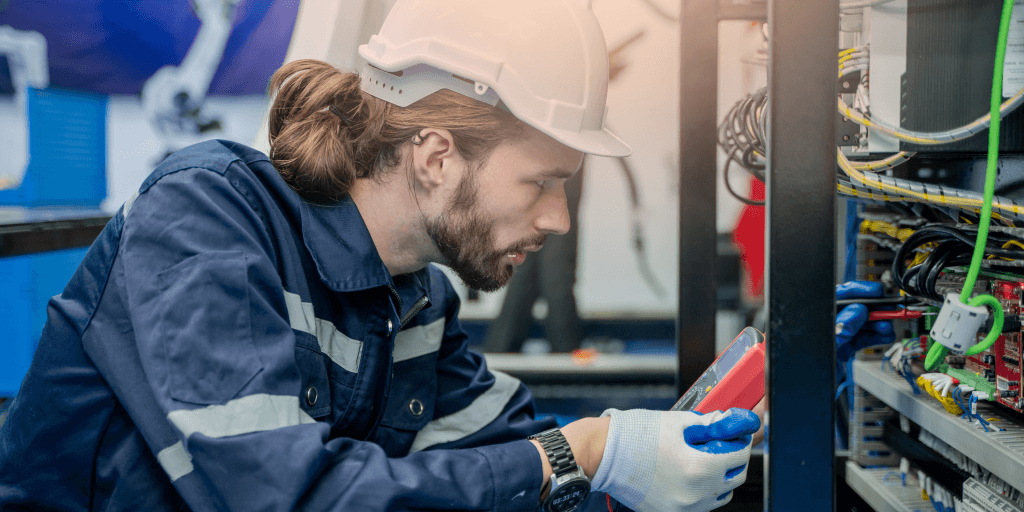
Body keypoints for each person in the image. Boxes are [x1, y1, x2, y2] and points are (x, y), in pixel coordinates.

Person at [0, 1, 763, 511]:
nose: (558, 219)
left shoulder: (414, 297)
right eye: (542, 182)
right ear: (435, 156)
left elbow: (510, 453)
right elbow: (281, 498)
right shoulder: (204, 220)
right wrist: (586, 452)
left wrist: (652, 449)